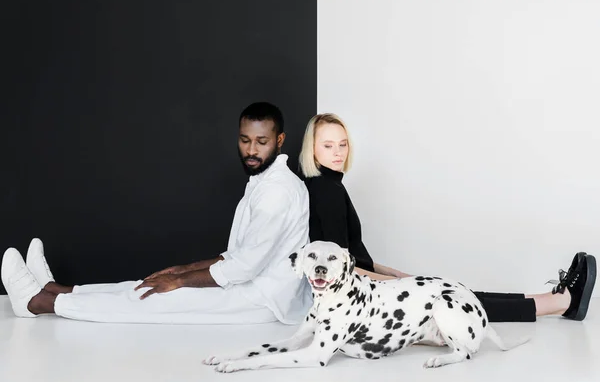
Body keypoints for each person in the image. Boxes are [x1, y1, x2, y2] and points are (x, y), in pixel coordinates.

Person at [1, 102, 313, 325]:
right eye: (245, 140)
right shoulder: (264, 181)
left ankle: (38, 302)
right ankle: (56, 289)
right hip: (249, 285)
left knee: (156, 296)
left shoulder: (277, 192)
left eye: (261, 142)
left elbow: (244, 268)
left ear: (279, 141)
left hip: (263, 301)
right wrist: (181, 271)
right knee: (147, 284)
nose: (251, 151)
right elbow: (239, 257)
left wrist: (181, 282)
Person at [298, 113, 596, 322]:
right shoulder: (327, 191)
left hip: (367, 286)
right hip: (363, 298)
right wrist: (394, 284)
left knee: (456, 292)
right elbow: (341, 271)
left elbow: (349, 254)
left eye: (342, 144)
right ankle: (558, 302)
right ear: (312, 148)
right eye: (328, 146)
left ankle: (548, 299)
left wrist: (394, 273)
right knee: (458, 301)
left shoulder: (325, 185)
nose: (337, 152)